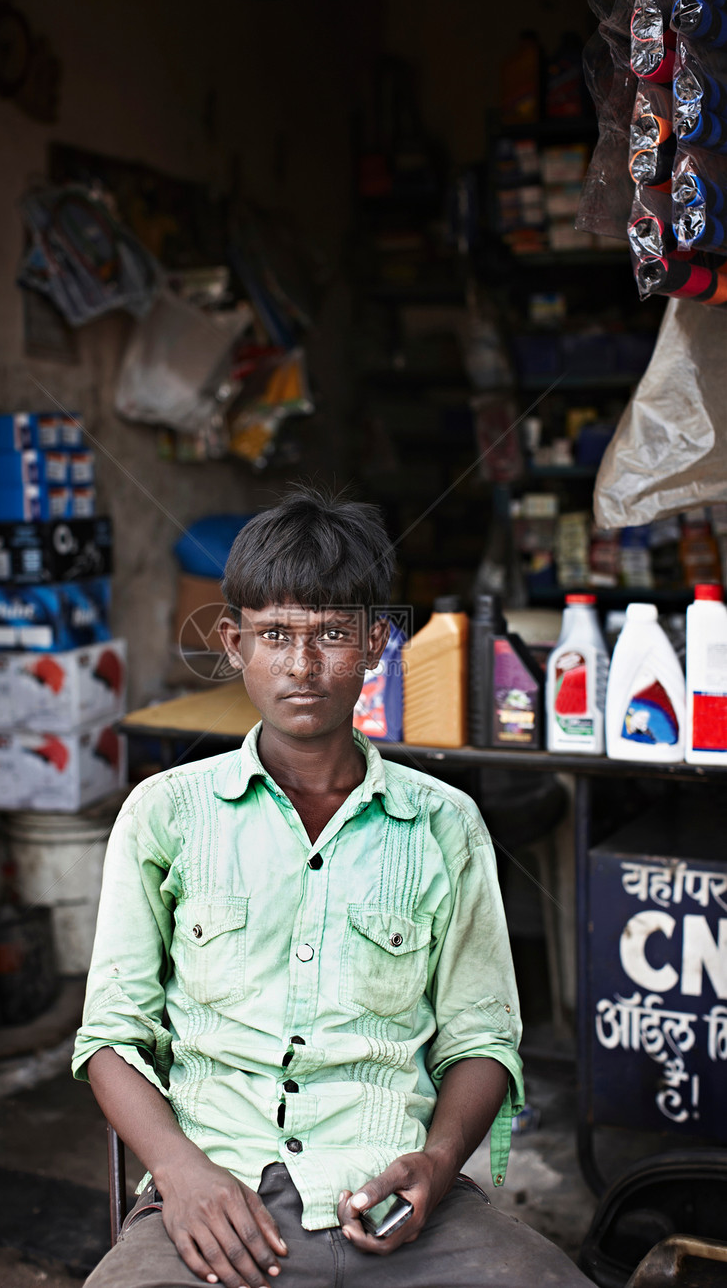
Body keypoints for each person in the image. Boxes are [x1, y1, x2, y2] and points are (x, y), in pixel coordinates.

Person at [73, 487, 592, 1288]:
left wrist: (437, 1161)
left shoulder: (443, 825)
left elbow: (483, 1039)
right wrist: (178, 1172)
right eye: (276, 635)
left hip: (393, 1201)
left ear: (376, 643)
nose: (304, 666)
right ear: (233, 642)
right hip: (217, 1195)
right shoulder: (165, 814)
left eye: (332, 636)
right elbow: (110, 1035)